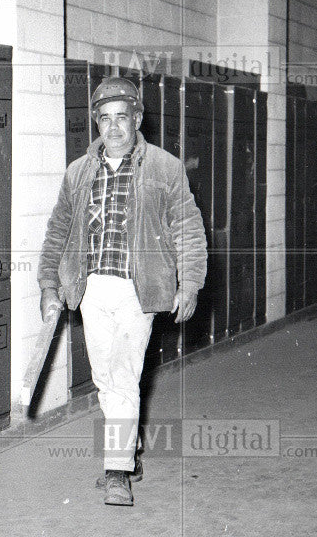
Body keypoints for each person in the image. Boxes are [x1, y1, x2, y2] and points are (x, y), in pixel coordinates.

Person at [37, 77, 207, 506]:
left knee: (124, 377)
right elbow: (58, 229)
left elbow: (187, 228)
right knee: (105, 378)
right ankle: (128, 451)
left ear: (137, 118)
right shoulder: (78, 172)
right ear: (96, 121)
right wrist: (48, 283)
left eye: (122, 118)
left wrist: (189, 283)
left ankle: (117, 473)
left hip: (138, 288)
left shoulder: (165, 168)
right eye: (104, 119)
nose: (113, 128)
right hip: (91, 288)